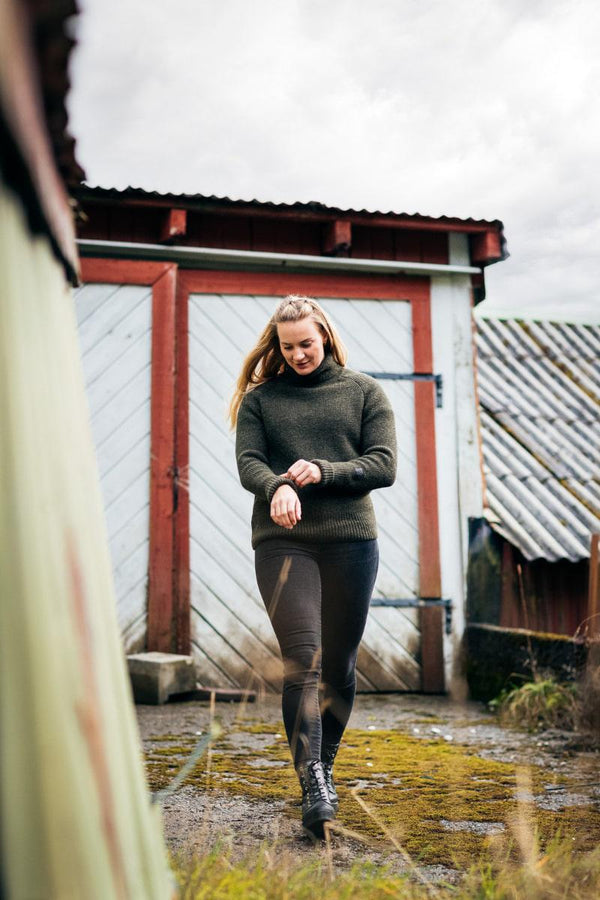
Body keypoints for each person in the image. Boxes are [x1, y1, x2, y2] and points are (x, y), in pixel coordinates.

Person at [230, 295, 397, 839]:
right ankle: (312, 786)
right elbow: (249, 463)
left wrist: (321, 471)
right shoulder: (262, 401)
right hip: (284, 544)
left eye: (306, 343)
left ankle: (321, 768)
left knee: (341, 668)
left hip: (351, 541)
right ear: (276, 347)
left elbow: (384, 464)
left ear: (323, 334)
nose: (299, 354)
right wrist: (277, 485)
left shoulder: (364, 392)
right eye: (288, 346)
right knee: (303, 661)